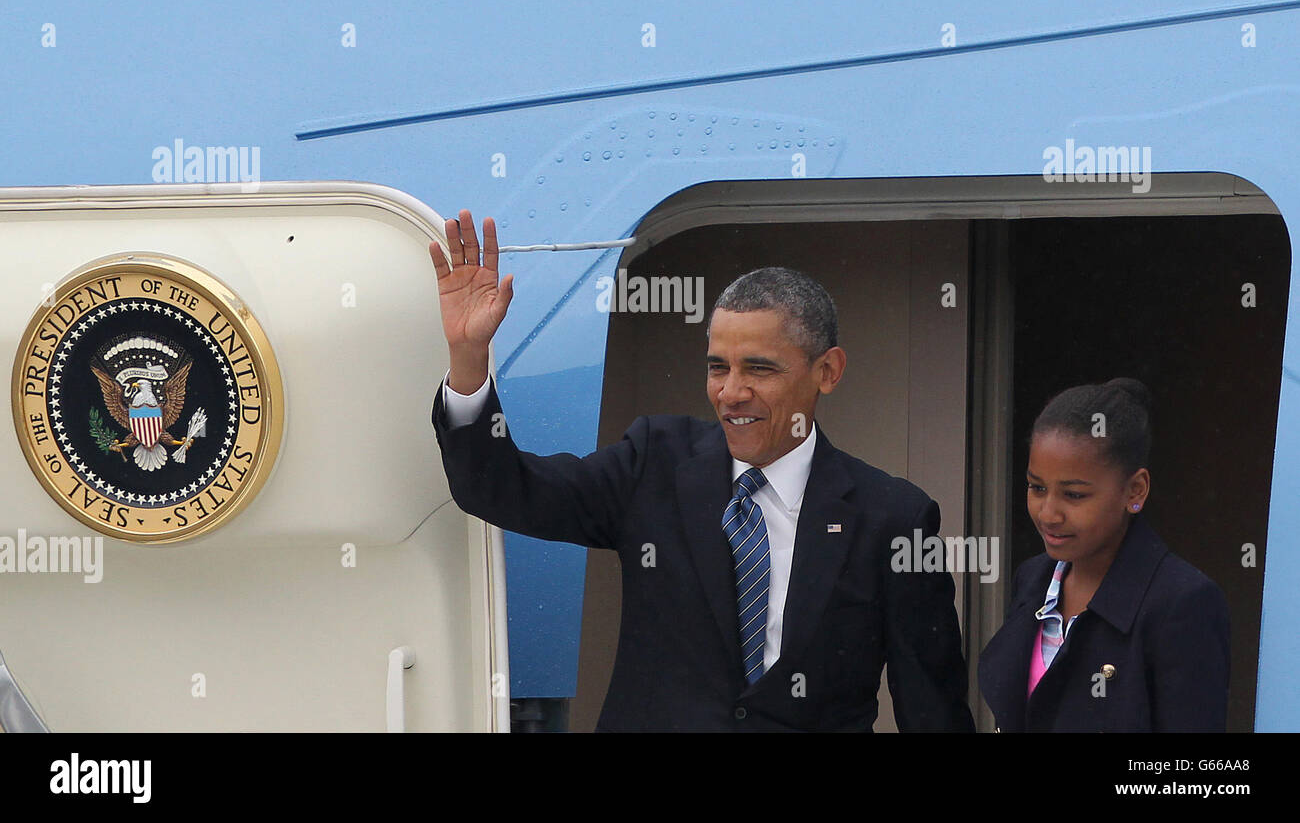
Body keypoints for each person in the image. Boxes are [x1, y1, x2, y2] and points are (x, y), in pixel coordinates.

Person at [429, 209, 975, 731]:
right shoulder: (654, 462)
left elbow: (931, 709)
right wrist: (469, 358)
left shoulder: (894, 519)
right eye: (718, 367)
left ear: (827, 371)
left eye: (759, 369)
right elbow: (499, 490)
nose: (731, 393)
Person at [978, 378, 1230, 731]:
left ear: (1135, 490)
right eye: (1037, 488)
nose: (1048, 513)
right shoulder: (1033, 579)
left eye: (1074, 495)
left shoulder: (1183, 603)